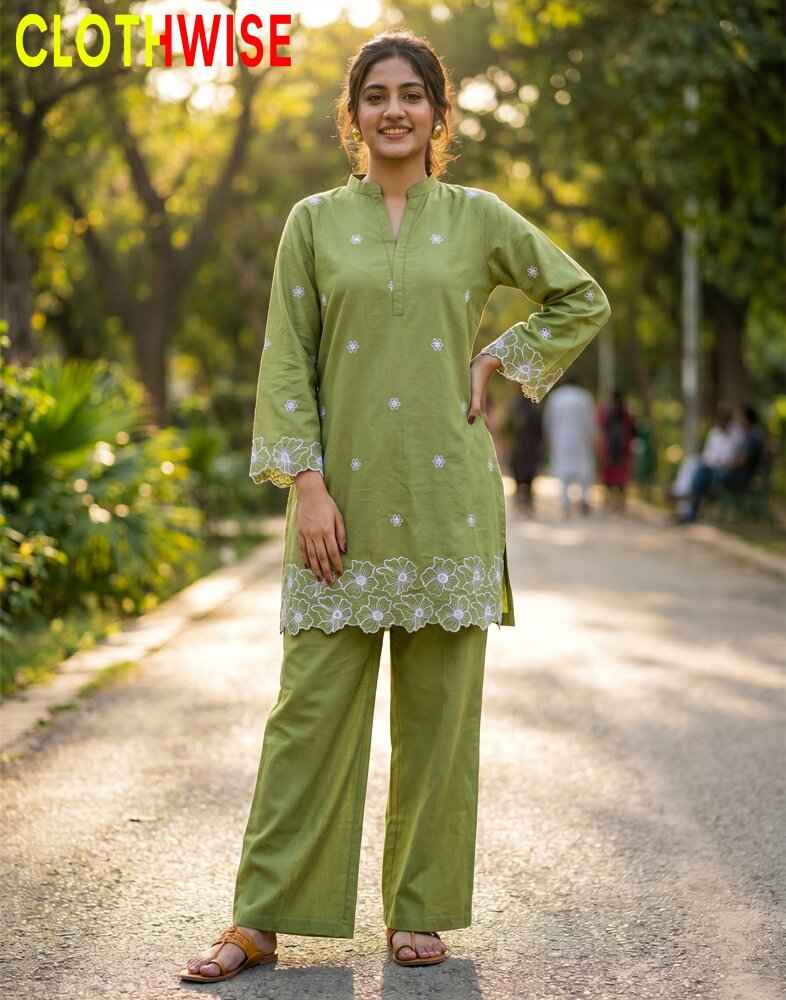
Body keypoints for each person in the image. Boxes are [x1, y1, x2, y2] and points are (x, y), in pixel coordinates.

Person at [181, 29, 611, 983]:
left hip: (448, 503)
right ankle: (260, 917)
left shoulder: (477, 217)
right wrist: (306, 485)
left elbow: (580, 297)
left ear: (437, 112)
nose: (393, 111)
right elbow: (286, 357)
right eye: (375, 95)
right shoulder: (313, 224)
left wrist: (501, 356)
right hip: (343, 506)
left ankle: (418, 910)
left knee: (439, 721)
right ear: (352, 113)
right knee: (308, 716)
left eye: (412, 94)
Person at [678, 404, 766, 524]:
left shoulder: (753, 437)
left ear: (748, 419)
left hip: (741, 477)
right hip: (733, 472)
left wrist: (726, 464)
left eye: (741, 418)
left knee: (704, 474)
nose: (739, 421)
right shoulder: (749, 434)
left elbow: (742, 461)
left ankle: (688, 504)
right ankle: (688, 507)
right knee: (701, 470)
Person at [542, 374, 599, 518]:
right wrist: (592, 438)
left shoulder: (556, 397)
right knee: (584, 469)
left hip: (560, 438)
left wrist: (548, 439)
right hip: (581, 438)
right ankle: (584, 499)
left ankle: (566, 503)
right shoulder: (585, 397)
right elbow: (590, 421)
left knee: (563, 469)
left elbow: (548, 421)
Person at [597, 389, 637, 513]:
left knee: (609, 477)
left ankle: (609, 502)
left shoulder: (607, 412)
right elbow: (634, 430)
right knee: (621, 478)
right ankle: (620, 504)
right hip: (623, 450)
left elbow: (601, 426)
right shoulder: (627, 413)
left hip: (610, 449)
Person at [506, 393, 544, 515]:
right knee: (528, 477)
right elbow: (540, 431)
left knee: (519, 476)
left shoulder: (515, 408)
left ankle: (521, 501)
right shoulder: (534, 409)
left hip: (520, 448)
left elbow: (508, 429)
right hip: (529, 449)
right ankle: (527, 502)